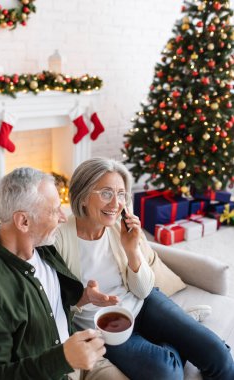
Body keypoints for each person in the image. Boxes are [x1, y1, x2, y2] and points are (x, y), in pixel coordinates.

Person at [55, 157, 234, 380]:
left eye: (121, 194)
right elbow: (52, 304)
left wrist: (132, 251)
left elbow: (144, 290)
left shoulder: (121, 227)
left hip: (144, 303)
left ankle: (174, 336)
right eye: (106, 193)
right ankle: (176, 341)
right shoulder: (59, 240)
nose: (116, 204)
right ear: (82, 197)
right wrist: (83, 298)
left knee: (220, 357)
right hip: (103, 326)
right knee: (168, 374)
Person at [0, 167, 128, 380]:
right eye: (54, 210)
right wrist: (62, 360)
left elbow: (49, 302)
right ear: (23, 221)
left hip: (75, 357)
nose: (62, 217)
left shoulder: (41, 244)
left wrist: (83, 298)